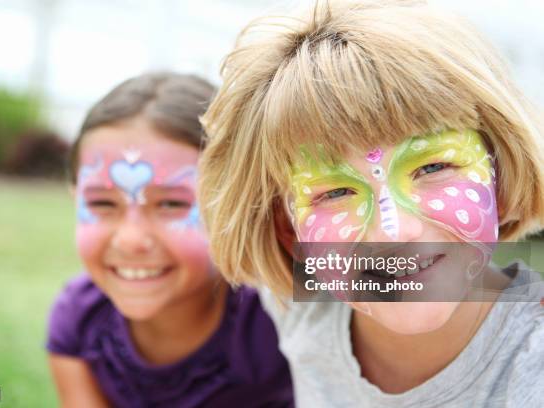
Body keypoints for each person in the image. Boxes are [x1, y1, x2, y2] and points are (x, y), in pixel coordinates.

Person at [197, 1, 544, 406]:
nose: (394, 230)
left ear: (500, 173)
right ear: (288, 229)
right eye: (335, 193)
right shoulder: (305, 308)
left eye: (433, 167)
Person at [46, 72, 293, 407]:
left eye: (172, 204)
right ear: (75, 198)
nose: (131, 240)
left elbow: (384, 276)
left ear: (236, 200)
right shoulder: (79, 317)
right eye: (102, 203)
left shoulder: (283, 295)